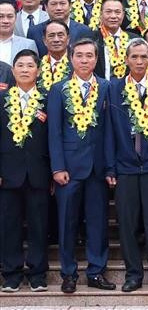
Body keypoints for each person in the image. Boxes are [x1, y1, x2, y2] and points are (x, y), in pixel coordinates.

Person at [48, 38, 114, 293]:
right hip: (69, 169)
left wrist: (110, 168)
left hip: (97, 168)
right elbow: (54, 132)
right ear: (71, 58)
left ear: (96, 59)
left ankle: (96, 271)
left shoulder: (107, 88)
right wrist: (57, 167)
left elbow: (109, 131)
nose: (85, 60)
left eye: (90, 56)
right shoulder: (59, 88)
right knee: (67, 222)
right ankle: (68, 273)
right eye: (80, 56)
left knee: (98, 222)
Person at [106, 38, 148, 292]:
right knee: (128, 223)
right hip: (125, 167)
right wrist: (110, 167)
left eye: (144, 56)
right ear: (126, 59)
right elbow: (109, 130)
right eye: (135, 57)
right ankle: (133, 274)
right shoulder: (114, 88)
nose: (140, 61)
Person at [0, 50, 50, 293]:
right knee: (9, 224)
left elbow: (53, 139)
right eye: (20, 65)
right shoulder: (1, 100)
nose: (25, 69)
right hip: (8, 172)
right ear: (13, 70)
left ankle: (38, 274)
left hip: (39, 173)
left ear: (37, 71)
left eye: (30, 65)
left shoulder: (48, 99)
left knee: (39, 225)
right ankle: (11, 274)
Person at [28, 0, 93, 57]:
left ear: (70, 6)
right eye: (53, 4)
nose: (58, 8)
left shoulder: (84, 31)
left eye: (62, 3)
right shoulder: (34, 32)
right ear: (46, 7)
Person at [92, 0, 138, 80]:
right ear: (101, 14)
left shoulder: (134, 40)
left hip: (128, 89)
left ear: (123, 15)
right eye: (108, 12)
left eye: (117, 12)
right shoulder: (91, 39)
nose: (113, 16)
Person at [0, 0, 38, 65]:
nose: (5, 21)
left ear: (16, 18)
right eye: (1, 16)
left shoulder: (28, 44)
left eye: (10, 16)